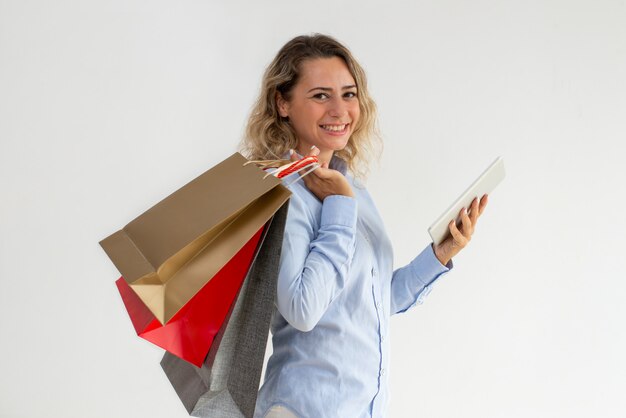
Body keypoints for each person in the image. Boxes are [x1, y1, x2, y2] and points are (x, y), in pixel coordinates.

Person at [240, 34, 488, 418]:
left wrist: (440, 255)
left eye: (349, 94)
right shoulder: (281, 194)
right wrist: (338, 207)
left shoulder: (352, 188)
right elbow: (303, 308)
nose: (340, 110)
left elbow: (371, 302)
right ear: (283, 102)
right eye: (321, 95)